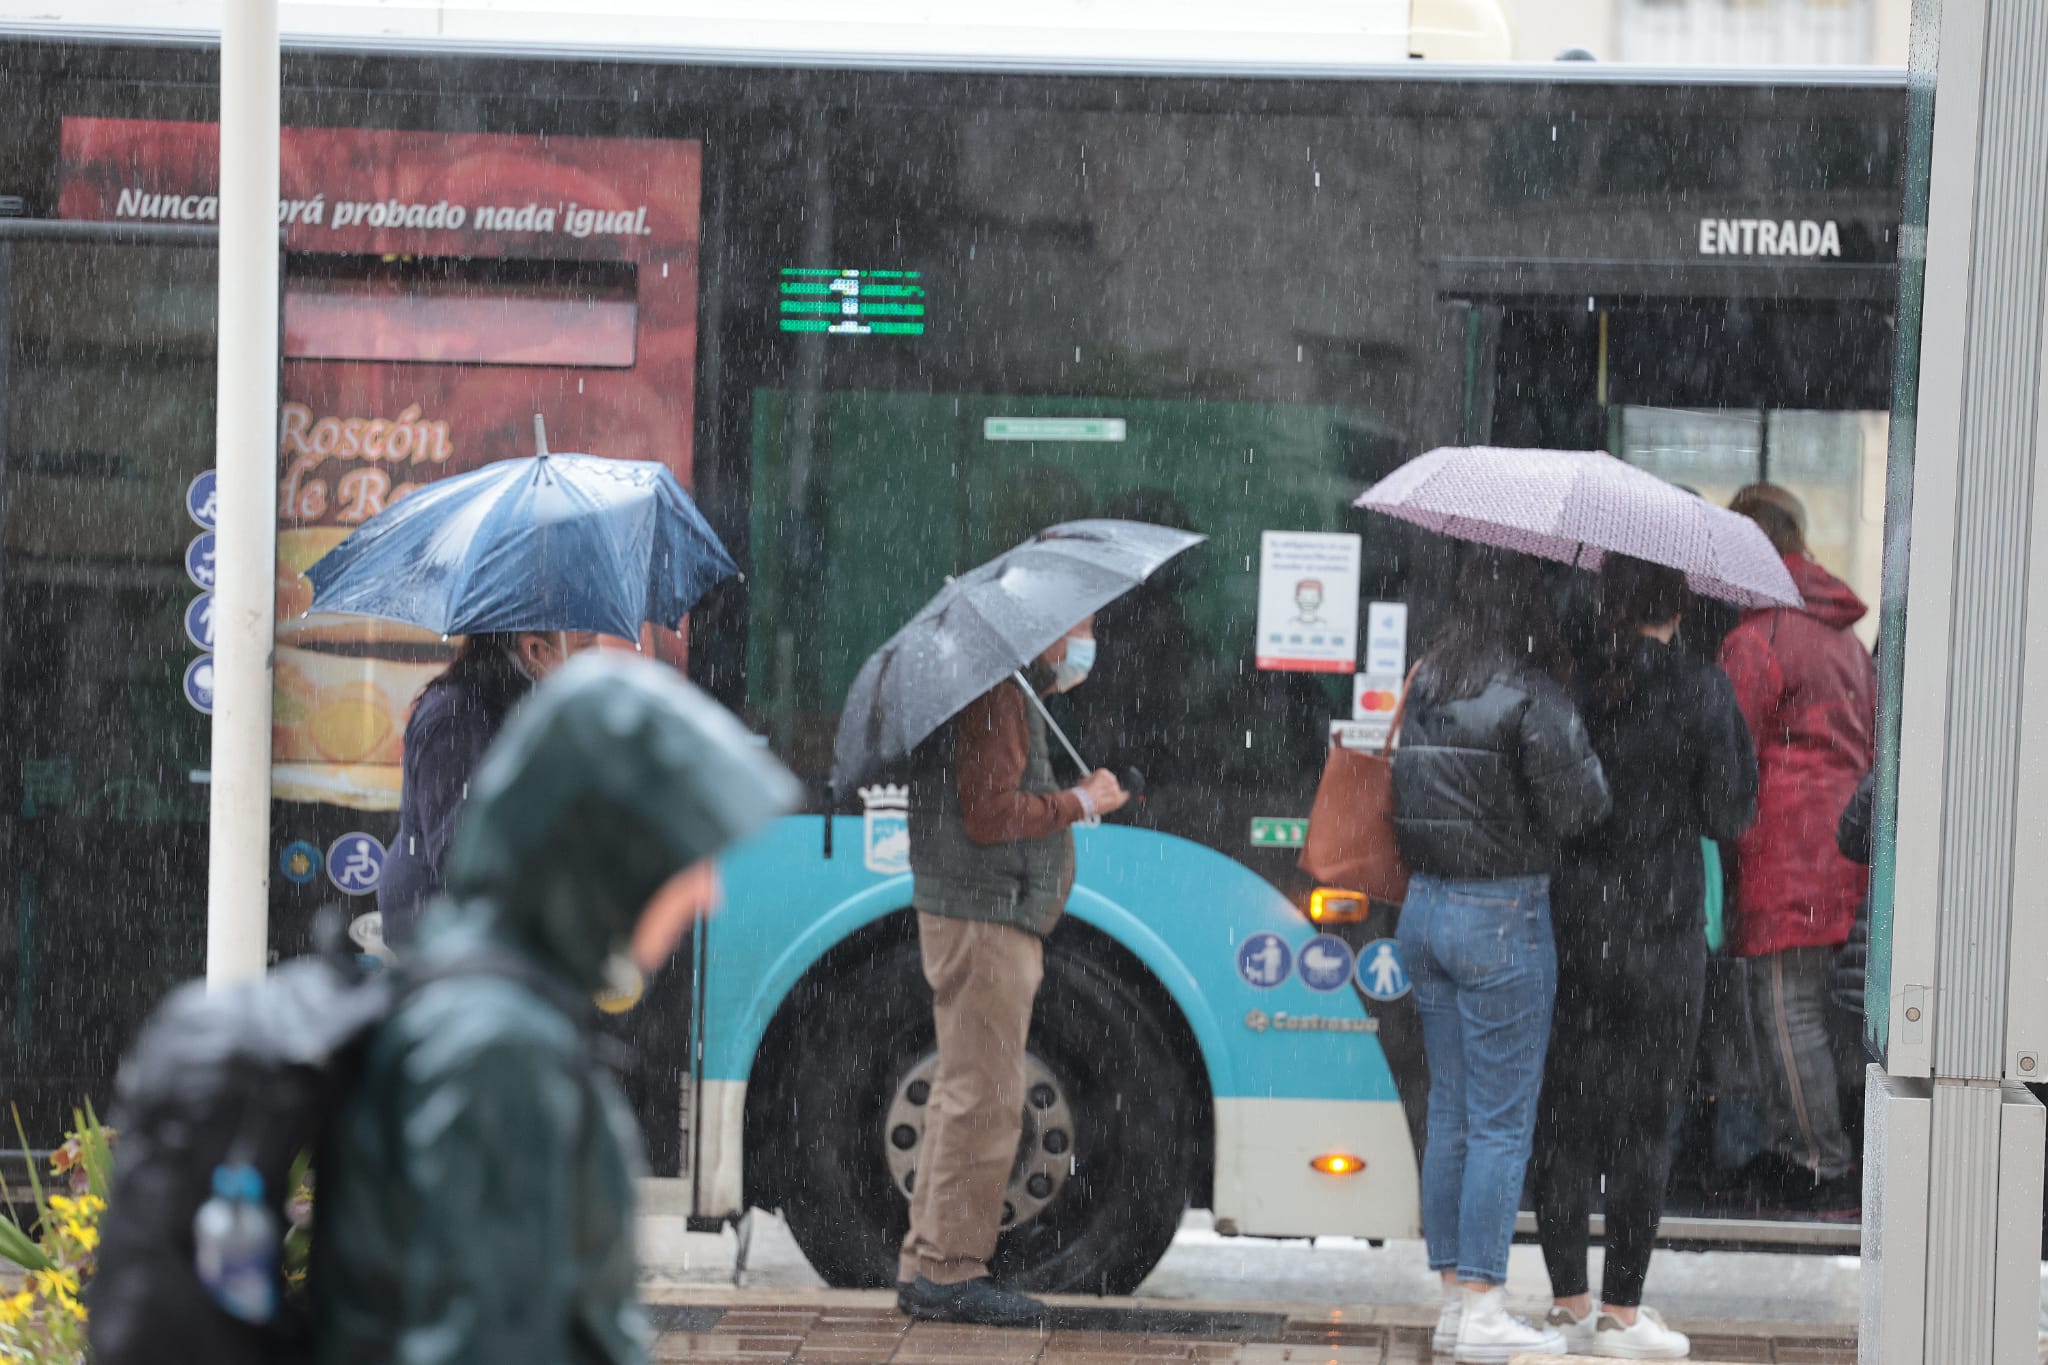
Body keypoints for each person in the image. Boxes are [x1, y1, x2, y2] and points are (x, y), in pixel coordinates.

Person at [313, 653, 799, 1365]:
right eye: (686, 858)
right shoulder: (500, 1050)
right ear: (612, 851)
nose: (709, 895)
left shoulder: (503, 1007)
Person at [1533, 555, 1758, 1360]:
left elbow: (1550, 796)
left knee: (1563, 1120)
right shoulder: (1703, 688)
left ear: (1606, 600)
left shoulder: (1571, 682)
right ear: (1681, 603)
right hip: (1662, 936)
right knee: (1645, 1124)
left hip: (1572, 927)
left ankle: (1568, 1302)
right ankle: (1622, 1312)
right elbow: (1731, 812)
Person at [1390, 545, 1611, 1364]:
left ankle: (1456, 1301)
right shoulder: (1531, 693)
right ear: (1531, 608)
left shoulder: (1428, 682)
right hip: (1500, 915)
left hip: (1424, 909)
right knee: (1500, 1122)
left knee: (1450, 1111)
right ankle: (1486, 1303)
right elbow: (1584, 807)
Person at [896, 616, 1129, 1327]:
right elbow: (990, 813)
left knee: (962, 1087)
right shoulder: (997, 695)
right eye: (1082, 625)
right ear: (1046, 627)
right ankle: (950, 1270)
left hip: (975, 908)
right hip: (987, 915)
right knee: (988, 1095)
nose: (1086, 639)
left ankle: (926, 1261)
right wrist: (1081, 802)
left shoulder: (999, 689)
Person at [1719, 484, 1875, 1211]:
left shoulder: (1759, 638)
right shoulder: (1842, 638)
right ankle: (1801, 1152)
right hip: (1840, 849)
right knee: (1812, 1011)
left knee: (1786, 1014)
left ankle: (1819, 1160)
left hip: (1784, 852)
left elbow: (1731, 755)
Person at [378, 630, 597, 947]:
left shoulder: (526, 700)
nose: (596, 656)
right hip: (437, 921)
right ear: (535, 650)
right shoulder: (457, 714)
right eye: (586, 645)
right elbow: (458, 852)